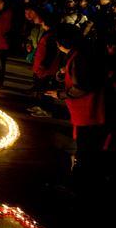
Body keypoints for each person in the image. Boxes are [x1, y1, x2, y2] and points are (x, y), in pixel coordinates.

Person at [45, 25, 106, 181]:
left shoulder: (78, 58)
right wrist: (62, 74)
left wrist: (60, 94)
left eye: (58, 42)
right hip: (85, 110)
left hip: (87, 109)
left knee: (85, 145)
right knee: (85, 143)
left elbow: (82, 86)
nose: (57, 45)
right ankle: (81, 173)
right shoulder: (78, 55)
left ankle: (80, 178)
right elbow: (72, 76)